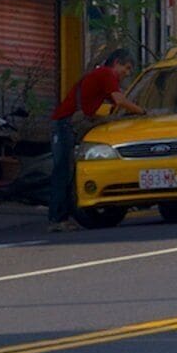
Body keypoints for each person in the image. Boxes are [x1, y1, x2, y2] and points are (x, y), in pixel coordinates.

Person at [49, 49, 130, 227]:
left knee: (69, 171)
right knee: (63, 172)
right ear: (116, 63)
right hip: (64, 125)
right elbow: (120, 101)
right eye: (126, 67)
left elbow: (116, 103)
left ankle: (64, 217)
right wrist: (143, 111)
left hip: (67, 124)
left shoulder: (103, 77)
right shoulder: (106, 73)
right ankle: (57, 219)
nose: (127, 73)